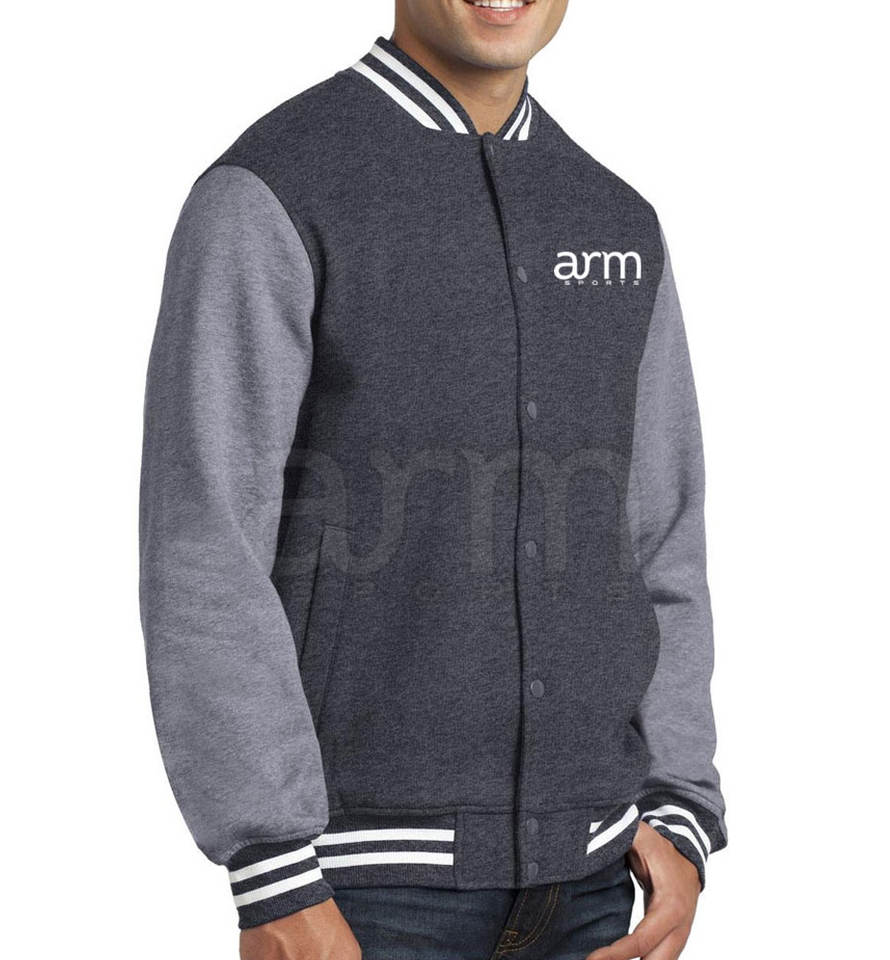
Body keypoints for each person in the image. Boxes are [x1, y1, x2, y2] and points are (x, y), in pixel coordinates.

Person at [139, 1, 726, 958]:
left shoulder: (615, 220)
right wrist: (271, 865)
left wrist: (680, 803)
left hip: (596, 880)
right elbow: (205, 540)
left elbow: (661, 533)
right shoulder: (274, 190)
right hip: (357, 894)